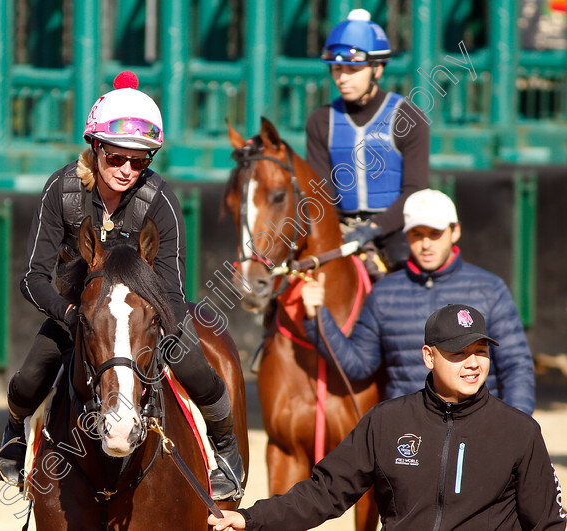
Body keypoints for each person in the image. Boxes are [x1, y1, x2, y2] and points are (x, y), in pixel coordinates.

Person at [0, 71, 244, 500]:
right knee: (31, 376)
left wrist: (151, 327)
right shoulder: (61, 189)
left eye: (141, 161)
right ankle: (14, 439)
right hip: (80, 313)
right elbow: (32, 278)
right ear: (96, 148)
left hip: (147, 314)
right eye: (117, 158)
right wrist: (71, 315)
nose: (128, 170)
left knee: (197, 369)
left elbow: (173, 289)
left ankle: (228, 454)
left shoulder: (161, 201)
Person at [208, 304, 567, 530]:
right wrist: (250, 518)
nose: (473, 363)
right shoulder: (387, 421)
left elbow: (549, 523)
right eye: (458, 353)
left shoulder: (519, 431)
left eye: (480, 351)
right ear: (429, 356)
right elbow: (325, 493)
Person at [301, 188, 536, 414]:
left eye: (435, 234)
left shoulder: (490, 288)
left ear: (455, 232)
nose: (425, 244)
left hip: (478, 427)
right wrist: (317, 316)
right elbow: (358, 365)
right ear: (406, 236)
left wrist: (514, 426)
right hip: (409, 433)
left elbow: (516, 367)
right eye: (417, 234)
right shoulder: (383, 294)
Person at [305, 8, 429, 272]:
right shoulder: (319, 120)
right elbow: (321, 192)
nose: (342, 77)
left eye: (352, 68)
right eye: (336, 69)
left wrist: (373, 228)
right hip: (339, 231)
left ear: (377, 69)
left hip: (395, 232)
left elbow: (415, 189)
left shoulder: (408, 117)